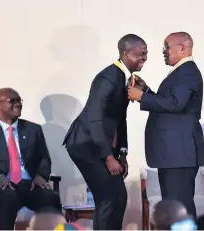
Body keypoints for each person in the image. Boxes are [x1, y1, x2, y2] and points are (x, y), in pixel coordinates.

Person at [63, 34, 148, 230]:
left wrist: (123, 153)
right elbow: (95, 118)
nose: (144, 58)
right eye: (141, 54)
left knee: (119, 196)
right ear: (126, 53)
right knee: (108, 197)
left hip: (99, 145)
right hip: (85, 145)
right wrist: (109, 157)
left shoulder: (125, 78)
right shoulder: (108, 77)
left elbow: (120, 118)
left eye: (146, 54)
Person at [128, 32, 204, 218]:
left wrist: (142, 97)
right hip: (173, 154)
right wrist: (145, 90)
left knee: (180, 209)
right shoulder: (180, 71)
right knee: (173, 208)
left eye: (166, 47)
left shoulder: (187, 71)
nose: (163, 52)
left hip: (179, 153)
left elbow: (176, 104)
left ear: (182, 48)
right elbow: (170, 101)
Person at [0, 88, 61, 230]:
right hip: (0, 186)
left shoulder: (33, 129)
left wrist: (40, 176)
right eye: (12, 101)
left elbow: (44, 157)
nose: (18, 104)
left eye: (19, 101)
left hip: (29, 184)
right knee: (7, 198)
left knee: (50, 197)